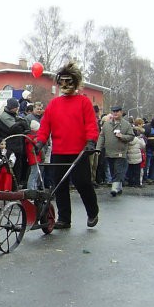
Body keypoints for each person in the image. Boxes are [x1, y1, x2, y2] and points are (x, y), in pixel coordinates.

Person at [36, 62, 99, 229]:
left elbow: (91, 125)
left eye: (68, 81)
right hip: (59, 151)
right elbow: (45, 126)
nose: (65, 85)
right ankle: (64, 219)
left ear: (75, 82)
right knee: (59, 185)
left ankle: (92, 212)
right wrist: (40, 141)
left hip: (79, 151)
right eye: (62, 81)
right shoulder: (54, 104)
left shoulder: (84, 102)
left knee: (83, 183)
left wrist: (91, 141)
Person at [97, 105, 134, 197]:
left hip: (120, 152)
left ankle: (114, 188)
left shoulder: (126, 124)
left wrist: (122, 136)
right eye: (113, 112)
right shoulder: (106, 124)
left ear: (121, 112)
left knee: (118, 169)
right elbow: (101, 136)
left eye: (117, 111)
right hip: (109, 152)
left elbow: (131, 136)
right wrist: (98, 148)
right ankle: (119, 186)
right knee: (112, 169)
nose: (115, 113)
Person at [0, 97, 29, 185]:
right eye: (15, 107)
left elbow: (25, 128)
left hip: (17, 146)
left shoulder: (13, 116)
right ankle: (10, 187)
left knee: (18, 167)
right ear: (11, 107)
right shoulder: (4, 117)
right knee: (11, 169)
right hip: (10, 147)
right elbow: (15, 129)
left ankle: (15, 186)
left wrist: (21, 124)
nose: (17, 108)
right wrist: (21, 123)